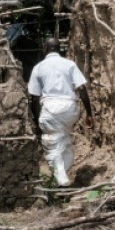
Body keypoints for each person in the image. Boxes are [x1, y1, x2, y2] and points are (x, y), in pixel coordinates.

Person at [27, 38, 95, 187]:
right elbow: (82, 89)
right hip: (70, 110)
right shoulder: (70, 64)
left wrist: (37, 120)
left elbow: (34, 97)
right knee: (64, 140)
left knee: (51, 142)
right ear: (59, 49)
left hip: (50, 109)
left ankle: (60, 178)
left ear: (45, 48)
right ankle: (62, 174)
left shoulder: (39, 67)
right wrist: (89, 113)